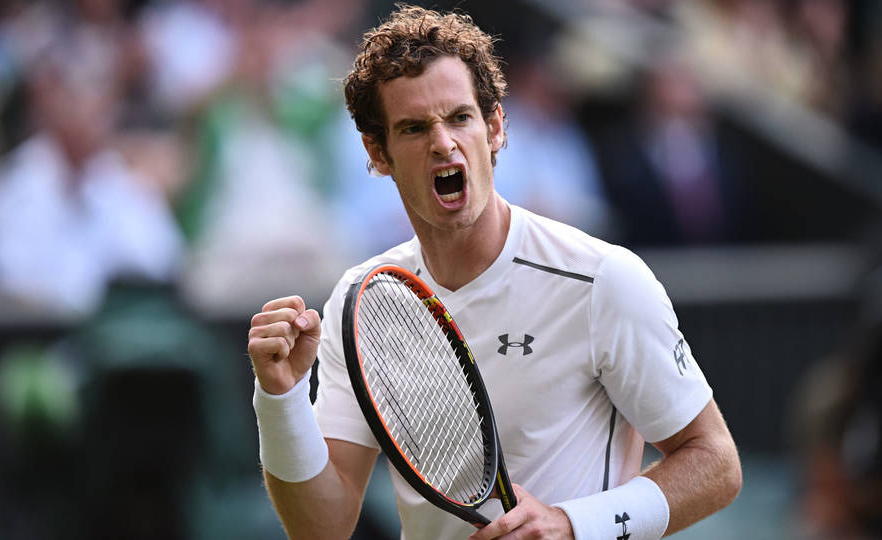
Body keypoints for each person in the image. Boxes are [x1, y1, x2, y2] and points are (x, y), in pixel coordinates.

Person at [247, 5, 741, 540]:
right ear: (377, 152)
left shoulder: (603, 279)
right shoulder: (361, 300)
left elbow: (716, 464)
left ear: (496, 127)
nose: (442, 142)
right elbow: (321, 529)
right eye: (414, 128)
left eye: (459, 117)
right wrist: (280, 400)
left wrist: (572, 526)